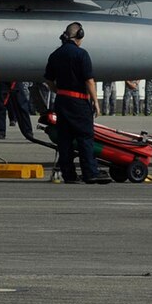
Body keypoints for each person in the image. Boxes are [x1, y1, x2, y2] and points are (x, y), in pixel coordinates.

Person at [44, 23, 106, 185]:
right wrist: (96, 102)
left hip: (62, 101)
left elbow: (48, 79)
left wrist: (58, 91)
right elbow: (89, 81)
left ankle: (69, 174)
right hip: (78, 102)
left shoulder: (55, 54)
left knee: (65, 139)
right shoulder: (81, 54)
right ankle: (90, 173)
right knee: (85, 137)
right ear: (79, 34)